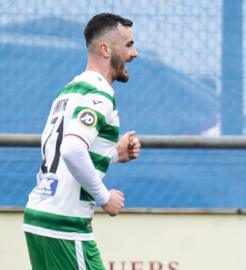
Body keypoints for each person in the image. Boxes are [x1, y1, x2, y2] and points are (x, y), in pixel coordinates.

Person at [22, 13, 140, 270]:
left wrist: (114, 154)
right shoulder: (99, 93)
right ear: (105, 49)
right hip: (63, 224)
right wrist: (104, 196)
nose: (135, 53)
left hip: (45, 217)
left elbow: (64, 150)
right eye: (129, 45)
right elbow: (72, 149)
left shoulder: (71, 90)